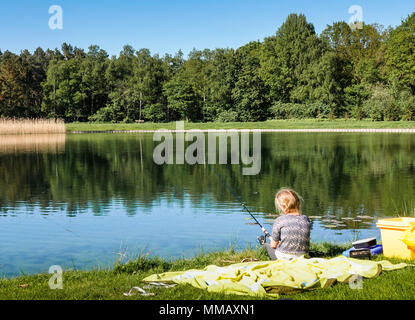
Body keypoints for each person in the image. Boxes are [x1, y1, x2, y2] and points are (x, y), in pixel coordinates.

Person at [264, 188, 311, 260]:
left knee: (268, 245)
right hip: (304, 256)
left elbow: (273, 245)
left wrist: (273, 242)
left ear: (283, 206)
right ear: (298, 202)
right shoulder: (306, 219)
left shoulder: (279, 220)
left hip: (284, 257)